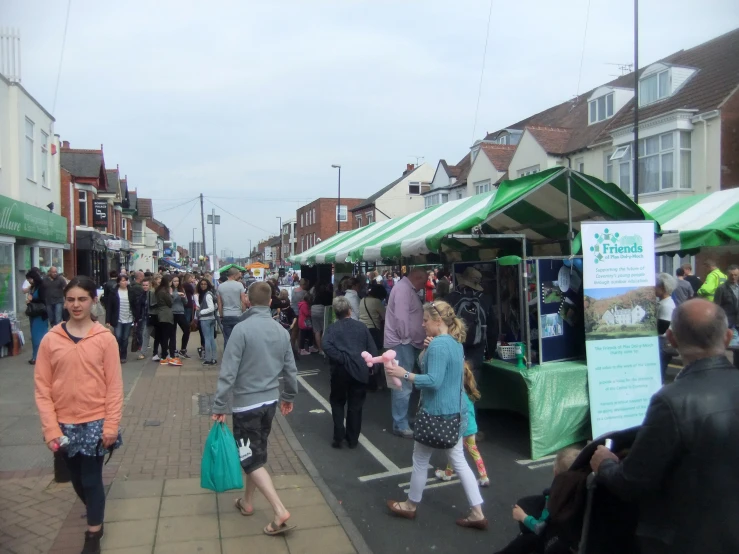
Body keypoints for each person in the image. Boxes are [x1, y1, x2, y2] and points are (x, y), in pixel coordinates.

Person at [590, 299, 739, 554]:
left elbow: (631, 482)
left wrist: (603, 463)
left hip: (686, 540)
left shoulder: (670, 401)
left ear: (670, 337)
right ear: (727, 337)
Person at [34, 276, 123, 554]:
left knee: (91, 478)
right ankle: (95, 509)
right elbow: (42, 388)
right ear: (65, 301)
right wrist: (50, 428)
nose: (76, 304)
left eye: (82, 299)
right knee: (76, 479)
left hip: (96, 421)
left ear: (92, 300)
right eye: (71, 299)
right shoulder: (51, 339)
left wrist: (111, 426)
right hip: (63, 424)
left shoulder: (105, 339)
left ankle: (93, 534)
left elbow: (115, 387)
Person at [385, 300, 487, 529]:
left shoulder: (440, 345)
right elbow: (435, 370)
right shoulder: (454, 343)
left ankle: (411, 506)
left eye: (425, 320)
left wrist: (404, 374)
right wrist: (425, 350)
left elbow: (432, 380)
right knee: (459, 461)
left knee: (421, 460)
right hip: (455, 414)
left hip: (436, 413)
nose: (422, 324)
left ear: (438, 320)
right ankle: (477, 511)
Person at [212, 281, 298, 536]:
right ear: (271, 302)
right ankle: (247, 502)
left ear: (247, 301)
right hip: (269, 403)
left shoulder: (241, 330)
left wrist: (219, 404)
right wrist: (289, 396)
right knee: (255, 456)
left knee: (249, 458)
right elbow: (291, 370)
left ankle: (279, 509)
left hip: (246, 404)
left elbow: (228, 372)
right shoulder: (281, 331)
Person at [495, 447, 581, 554]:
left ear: (555, 473)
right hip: (575, 537)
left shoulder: (555, 499)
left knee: (526, 538)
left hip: (556, 539)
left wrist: (522, 517)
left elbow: (540, 528)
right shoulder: (584, 492)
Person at [323, 296, 378, 449]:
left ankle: (338, 435)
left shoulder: (332, 329)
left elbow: (325, 345)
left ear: (336, 312)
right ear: (349, 310)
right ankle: (353, 439)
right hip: (360, 369)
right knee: (356, 406)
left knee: (337, 402)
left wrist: (340, 357)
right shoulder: (361, 327)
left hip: (340, 370)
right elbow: (372, 349)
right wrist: (372, 369)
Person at [384, 268, 426, 438]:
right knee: (402, 383)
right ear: (418, 277)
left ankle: (403, 420)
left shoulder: (403, 288)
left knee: (404, 383)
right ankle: (400, 423)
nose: (425, 285)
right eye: (424, 281)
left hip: (405, 343)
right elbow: (401, 319)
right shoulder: (403, 289)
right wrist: (406, 338)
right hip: (403, 344)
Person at [434, 361, 489, 487]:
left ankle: (447, 474)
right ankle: (484, 476)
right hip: (471, 428)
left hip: (460, 429)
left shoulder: (455, 395)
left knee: (453, 452)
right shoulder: (470, 393)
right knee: (473, 452)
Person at [446, 267, 493, 384]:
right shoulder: (485, 299)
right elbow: (492, 329)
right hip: (476, 353)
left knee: (454, 388)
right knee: (472, 390)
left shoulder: (451, 298)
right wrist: (489, 353)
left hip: (454, 350)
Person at [104, 275, 139, 364]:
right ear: (119, 282)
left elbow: (135, 305)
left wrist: (137, 317)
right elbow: (109, 307)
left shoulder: (131, 291)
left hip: (129, 318)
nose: (124, 282)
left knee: (125, 338)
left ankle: (123, 355)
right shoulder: (114, 292)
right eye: (122, 281)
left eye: (126, 281)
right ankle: (117, 353)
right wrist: (108, 320)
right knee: (118, 337)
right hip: (118, 318)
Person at [217, 268, 247, 349]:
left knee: (227, 338)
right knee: (238, 339)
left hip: (226, 315)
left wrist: (221, 315)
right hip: (237, 314)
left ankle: (227, 358)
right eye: (238, 275)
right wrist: (243, 313)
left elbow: (219, 303)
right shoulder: (239, 285)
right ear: (235, 275)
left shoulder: (220, 286)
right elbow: (243, 301)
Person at [656, 272, 678, 382]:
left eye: (656, 286)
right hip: (663, 342)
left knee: (659, 372)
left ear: (663, 287)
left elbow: (661, 328)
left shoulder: (666, 305)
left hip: (662, 343)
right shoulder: (665, 303)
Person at [155, 276, 180, 366]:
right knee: (167, 336)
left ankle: (164, 355)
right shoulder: (164, 292)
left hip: (161, 314)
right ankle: (165, 356)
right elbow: (170, 302)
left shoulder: (158, 290)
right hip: (166, 315)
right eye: (170, 282)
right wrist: (171, 294)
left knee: (163, 336)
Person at [25, 269, 49, 364]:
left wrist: (31, 300)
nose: (29, 281)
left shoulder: (42, 287)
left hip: (40, 314)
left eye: (29, 279)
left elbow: (44, 301)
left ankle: (39, 357)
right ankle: (35, 355)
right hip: (33, 314)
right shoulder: (33, 287)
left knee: (38, 336)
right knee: (34, 337)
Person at [196, 278, 218, 366]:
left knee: (207, 339)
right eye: (201, 284)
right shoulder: (210, 294)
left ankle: (208, 359)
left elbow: (212, 308)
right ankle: (214, 358)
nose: (203, 286)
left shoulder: (207, 295)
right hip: (211, 318)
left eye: (205, 284)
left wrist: (201, 312)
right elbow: (215, 306)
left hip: (206, 319)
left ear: (208, 285)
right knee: (211, 338)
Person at [359, 283, 387, 350]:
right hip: (373, 330)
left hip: (361, 327)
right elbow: (385, 316)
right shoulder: (376, 301)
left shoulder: (363, 299)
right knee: (375, 351)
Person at [171, 276, 191, 359]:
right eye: (174, 281)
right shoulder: (170, 289)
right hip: (172, 313)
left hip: (180, 312)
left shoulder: (181, 289)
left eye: (177, 281)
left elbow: (185, 302)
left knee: (187, 329)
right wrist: (176, 294)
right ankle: (173, 350)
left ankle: (183, 349)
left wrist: (183, 297)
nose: (176, 283)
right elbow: (170, 301)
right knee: (172, 333)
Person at [310, 283, 332, 354]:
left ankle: (320, 349)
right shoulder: (326, 293)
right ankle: (324, 348)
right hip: (322, 309)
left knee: (317, 331)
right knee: (324, 329)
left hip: (313, 309)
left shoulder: (314, 293)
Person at [136, 278, 152, 360]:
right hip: (144, 317)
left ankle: (165, 348)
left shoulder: (152, 294)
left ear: (150, 285)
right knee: (145, 334)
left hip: (152, 317)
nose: (145, 287)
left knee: (156, 335)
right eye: (143, 285)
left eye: (146, 285)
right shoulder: (141, 294)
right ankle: (143, 352)